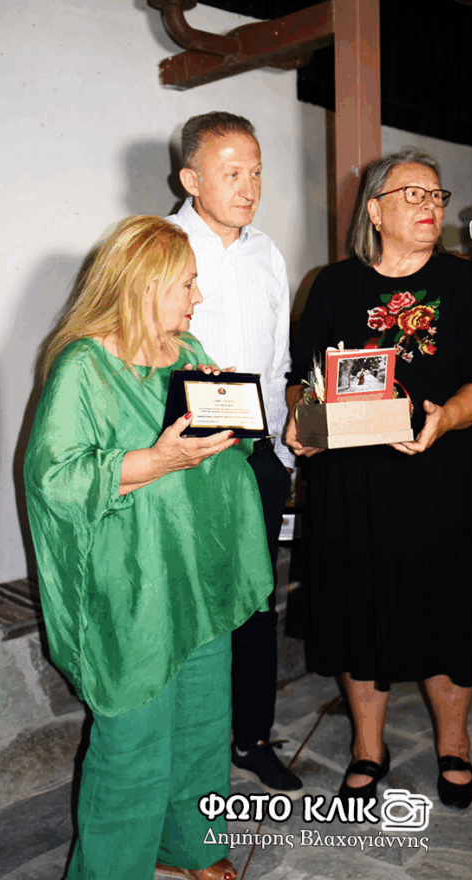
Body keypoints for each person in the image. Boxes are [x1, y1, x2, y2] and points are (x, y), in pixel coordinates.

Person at [24, 216, 272, 880]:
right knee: (132, 736)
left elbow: (212, 444)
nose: (198, 297)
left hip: (193, 570)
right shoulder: (83, 367)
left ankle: (187, 844)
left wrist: (237, 421)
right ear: (142, 286)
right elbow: (55, 479)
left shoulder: (186, 351)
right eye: (186, 284)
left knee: (201, 721)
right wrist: (159, 460)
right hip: (128, 583)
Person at [285, 149, 472, 810]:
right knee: (358, 612)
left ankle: (454, 744)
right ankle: (367, 747)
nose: (430, 205)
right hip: (351, 485)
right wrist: (302, 420)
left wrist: (447, 418)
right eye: (413, 193)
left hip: (442, 478)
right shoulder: (332, 286)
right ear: (375, 212)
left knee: (448, 613)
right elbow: (305, 378)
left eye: (436, 194)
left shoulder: (466, 284)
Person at [167, 111, 303, 799]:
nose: (249, 187)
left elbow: (279, 362)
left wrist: (284, 451)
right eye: (231, 173)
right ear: (191, 179)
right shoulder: (159, 247)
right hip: (185, 458)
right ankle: (185, 745)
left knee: (255, 604)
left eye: (255, 172)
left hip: (258, 460)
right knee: (187, 603)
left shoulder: (267, 254)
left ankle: (251, 737)